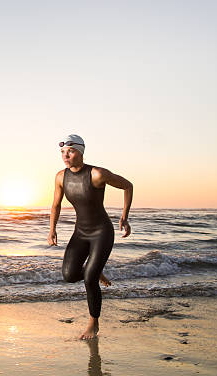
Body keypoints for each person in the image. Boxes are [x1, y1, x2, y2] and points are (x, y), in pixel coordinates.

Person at [47, 134, 133, 340]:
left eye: (70, 151)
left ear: (81, 152)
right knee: (68, 275)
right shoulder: (61, 177)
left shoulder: (97, 174)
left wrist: (124, 216)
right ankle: (93, 272)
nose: (65, 156)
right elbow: (56, 205)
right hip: (81, 232)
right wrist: (52, 229)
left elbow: (128, 185)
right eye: (62, 152)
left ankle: (93, 324)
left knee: (88, 280)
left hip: (101, 232)